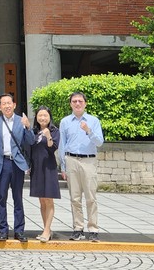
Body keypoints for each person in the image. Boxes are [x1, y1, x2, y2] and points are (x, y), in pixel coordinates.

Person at [59, 91, 104, 242]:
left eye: (80, 101)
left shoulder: (93, 121)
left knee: (91, 197)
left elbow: (99, 142)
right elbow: (62, 144)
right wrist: (63, 166)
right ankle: (78, 228)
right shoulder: (65, 122)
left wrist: (88, 131)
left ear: (85, 103)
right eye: (74, 101)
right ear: (70, 104)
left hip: (88, 161)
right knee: (75, 197)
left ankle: (93, 229)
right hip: (71, 160)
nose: (77, 104)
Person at [0, 93, 33, 242]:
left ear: (14, 105)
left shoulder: (21, 121)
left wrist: (28, 127)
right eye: (4, 103)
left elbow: (31, 141)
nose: (7, 106)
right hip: (1, 163)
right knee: (1, 198)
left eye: (9, 103)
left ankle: (19, 231)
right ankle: (3, 230)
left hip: (16, 164)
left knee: (18, 198)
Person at [29, 105, 61, 242]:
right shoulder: (34, 131)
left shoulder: (54, 131)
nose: (42, 118)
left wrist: (48, 136)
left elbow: (53, 148)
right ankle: (46, 229)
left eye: (45, 115)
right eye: (40, 115)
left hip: (49, 167)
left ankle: (47, 231)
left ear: (49, 117)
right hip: (37, 168)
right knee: (41, 200)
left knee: (49, 199)